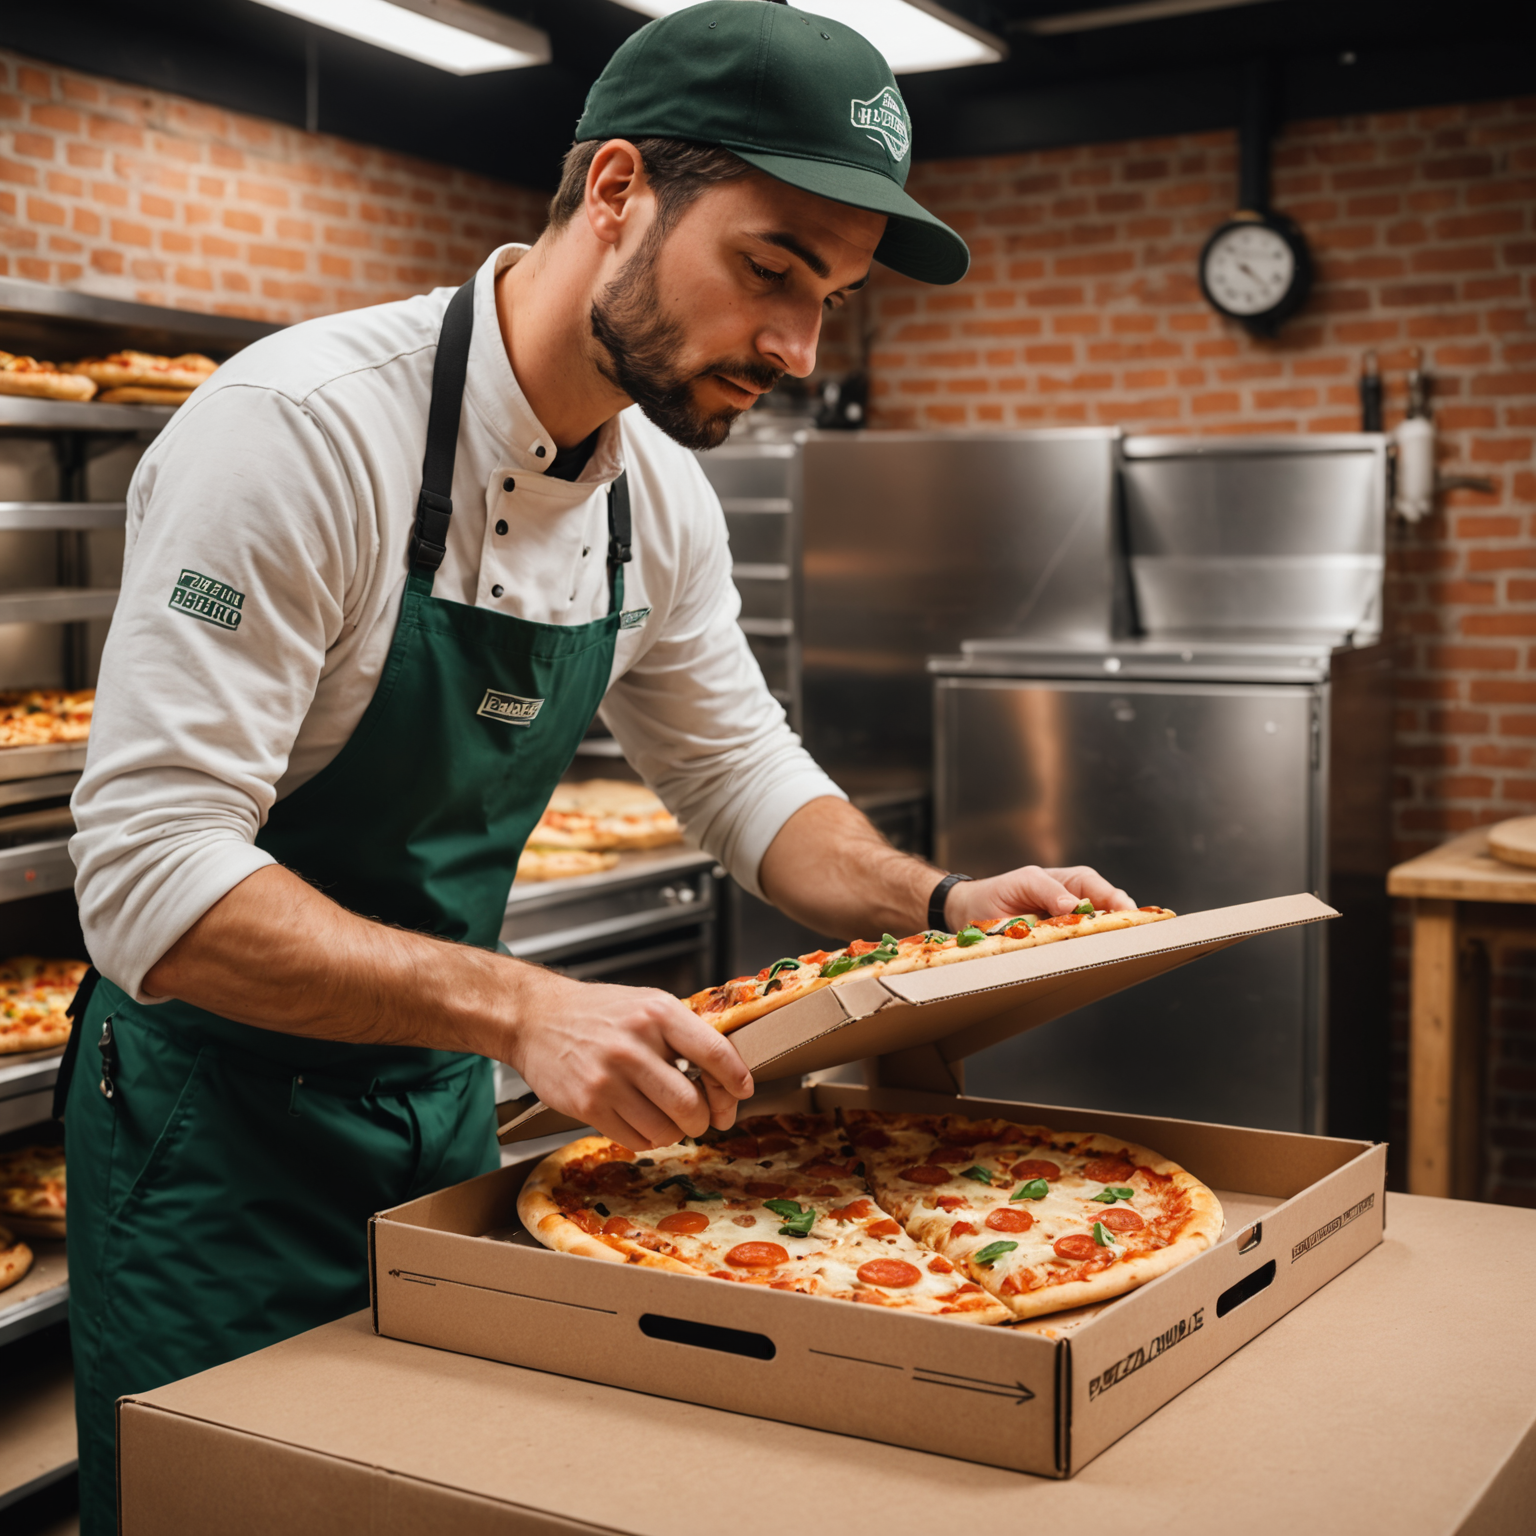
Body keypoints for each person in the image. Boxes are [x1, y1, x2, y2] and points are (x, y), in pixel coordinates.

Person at [61, 3, 1133, 1529]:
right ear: (616, 189)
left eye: (831, 298)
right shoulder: (297, 435)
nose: (794, 347)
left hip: (440, 1114)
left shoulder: (658, 504)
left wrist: (941, 905)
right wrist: (524, 1006)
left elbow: (749, 782)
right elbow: (149, 886)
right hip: (208, 1138)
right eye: (771, 269)